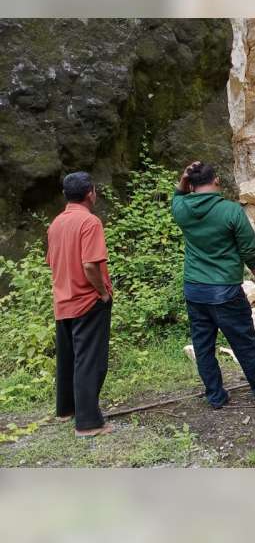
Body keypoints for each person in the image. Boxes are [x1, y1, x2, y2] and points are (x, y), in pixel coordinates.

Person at [172, 162, 255, 409]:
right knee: (244, 341)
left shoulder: (182, 209)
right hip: (226, 291)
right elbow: (248, 247)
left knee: (203, 346)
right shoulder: (230, 210)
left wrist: (183, 180)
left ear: (191, 184)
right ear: (216, 180)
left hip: (195, 289)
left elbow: (178, 195)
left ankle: (216, 396)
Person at [46, 171, 114, 437]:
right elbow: (89, 264)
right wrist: (102, 293)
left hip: (62, 300)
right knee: (90, 361)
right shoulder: (90, 222)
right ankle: (88, 423)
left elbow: (52, 262)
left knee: (68, 358)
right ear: (90, 193)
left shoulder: (56, 223)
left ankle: (66, 410)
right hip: (87, 301)